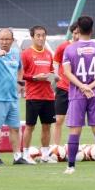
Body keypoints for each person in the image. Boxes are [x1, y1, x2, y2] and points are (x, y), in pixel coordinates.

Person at [61, 15, 95, 174]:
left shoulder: (69, 49)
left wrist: (82, 86)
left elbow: (67, 72)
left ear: (77, 30)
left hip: (77, 94)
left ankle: (71, 167)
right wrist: (90, 86)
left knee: (75, 131)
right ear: (92, 30)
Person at [0, 28, 28, 165]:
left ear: (12, 40)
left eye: (7, 39)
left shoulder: (15, 54)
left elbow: (20, 68)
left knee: (15, 128)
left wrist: (20, 83)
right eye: (1, 39)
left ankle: (17, 156)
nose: (4, 42)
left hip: (13, 98)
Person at [21, 25, 59, 164]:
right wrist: (35, 77)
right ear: (32, 37)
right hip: (33, 96)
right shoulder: (25, 54)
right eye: (38, 35)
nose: (41, 38)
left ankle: (45, 155)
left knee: (47, 126)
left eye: (43, 35)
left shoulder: (49, 53)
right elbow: (20, 74)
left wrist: (53, 76)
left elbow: (51, 71)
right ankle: (25, 155)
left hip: (48, 96)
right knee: (30, 126)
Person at [52, 23, 79, 145]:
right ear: (72, 33)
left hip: (78, 89)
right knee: (58, 120)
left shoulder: (86, 48)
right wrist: (57, 80)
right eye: (75, 33)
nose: (77, 36)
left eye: (79, 33)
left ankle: (72, 146)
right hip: (63, 88)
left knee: (75, 121)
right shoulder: (63, 47)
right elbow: (56, 64)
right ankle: (56, 147)